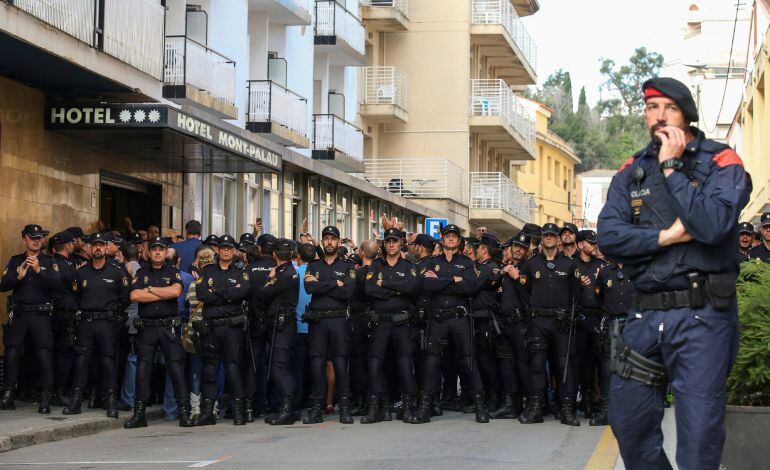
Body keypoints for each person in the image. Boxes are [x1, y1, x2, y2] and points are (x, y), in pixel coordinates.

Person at [598, 76, 751, 469]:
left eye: (670, 108)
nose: (660, 116)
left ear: (687, 114)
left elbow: (714, 225)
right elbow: (610, 236)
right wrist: (666, 237)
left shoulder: (722, 162)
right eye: (652, 108)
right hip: (644, 314)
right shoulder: (631, 169)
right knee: (629, 428)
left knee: (699, 441)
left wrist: (671, 169)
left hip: (703, 317)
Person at [413, 224, 488, 424]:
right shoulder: (432, 261)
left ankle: (480, 407)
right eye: (448, 236)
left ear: (459, 240)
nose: (451, 239)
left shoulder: (466, 262)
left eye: (455, 236)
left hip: (459, 318)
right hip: (438, 319)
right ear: (442, 239)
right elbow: (426, 284)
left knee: (468, 361)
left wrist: (441, 281)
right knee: (431, 363)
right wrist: (453, 280)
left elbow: (469, 287)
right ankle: (425, 408)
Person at [124, 237, 192, 428]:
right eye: (154, 249)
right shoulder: (142, 272)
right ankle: (139, 414)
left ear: (166, 251)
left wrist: (151, 289)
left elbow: (175, 292)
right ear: (149, 251)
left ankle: (184, 413)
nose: (157, 252)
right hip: (147, 328)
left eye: (161, 249)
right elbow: (134, 295)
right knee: (143, 371)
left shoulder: (173, 272)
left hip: (168, 327)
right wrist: (162, 291)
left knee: (176, 369)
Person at [517, 223, 581, 426]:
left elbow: (576, 293)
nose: (550, 238)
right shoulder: (531, 264)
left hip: (561, 322)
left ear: (558, 239)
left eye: (553, 235)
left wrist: (569, 314)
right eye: (546, 235)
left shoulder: (570, 265)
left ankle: (567, 411)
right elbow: (524, 291)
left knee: (564, 365)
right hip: (539, 321)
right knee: (536, 365)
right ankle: (535, 409)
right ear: (542, 238)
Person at [63, 233, 130, 417]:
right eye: (95, 245)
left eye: (101, 245)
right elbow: (75, 297)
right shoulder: (82, 272)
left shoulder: (116, 271)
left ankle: (110, 402)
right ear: (90, 248)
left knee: (108, 361)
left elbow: (125, 297)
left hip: (107, 323)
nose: (98, 248)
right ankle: (76, 401)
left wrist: (115, 312)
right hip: (86, 322)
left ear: (106, 248)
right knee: (82, 360)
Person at [0, 225, 60, 413]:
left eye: (39, 237)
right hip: (19, 314)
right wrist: (18, 276)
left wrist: (39, 270)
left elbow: (58, 284)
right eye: (33, 237)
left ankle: (45, 396)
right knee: (11, 352)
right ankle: (8, 394)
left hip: (40, 315)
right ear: (24, 238)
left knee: (43, 354)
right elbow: (3, 285)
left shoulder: (49, 262)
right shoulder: (16, 260)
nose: (36, 240)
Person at [362, 228, 418, 424]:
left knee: (404, 365)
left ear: (401, 243)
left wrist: (383, 283)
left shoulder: (408, 265)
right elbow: (369, 289)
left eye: (395, 241)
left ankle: (408, 407)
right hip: (380, 322)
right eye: (388, 241)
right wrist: (396, 289)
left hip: (402, 322)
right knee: (375, 364)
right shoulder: (376, 265)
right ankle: (377, 407)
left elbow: (411, 287)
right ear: (383, 244)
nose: (391, 244)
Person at [193, 235, 250, 426]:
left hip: (231, 327)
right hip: (211, 327)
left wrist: (216, 292)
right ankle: (207, 412)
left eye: (229, 248)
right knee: (210, 370)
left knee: (233, 369)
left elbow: (242, 293)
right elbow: (202, 294)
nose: (226, 251)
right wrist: (227, 295)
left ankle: (238, 412)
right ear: (217, 250)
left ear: (234, 251)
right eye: (223, 247)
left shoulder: (241, 273)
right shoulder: (208, 271)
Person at [302, 226, 356, 424]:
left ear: (339, 241)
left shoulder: (348, 267)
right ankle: (316, 408)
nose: (329, 242)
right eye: (326, 239)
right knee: (316, 365)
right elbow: (309, 287)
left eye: (333, 239)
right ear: (322, 242)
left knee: (341, 364)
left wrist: (322, 283)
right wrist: (336, 283)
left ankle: (344, 408)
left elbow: (348, 292)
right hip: (318, 321)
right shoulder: (313, 266)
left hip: (339, 320)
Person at [259, 238, 300, 425]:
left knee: (278, 368)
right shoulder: (291, 271)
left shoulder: (281, 275)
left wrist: (269, 278)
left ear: (274, 254)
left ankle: (287, 409)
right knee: (284, 367)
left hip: (281, 326)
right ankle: (289, 407)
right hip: (285, 324)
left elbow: (263, 294)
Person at [490, 232, 530, 419]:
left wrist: (517, 277)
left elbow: (532, 294)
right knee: (507, 366)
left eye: (523, 247)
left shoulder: (529, 267)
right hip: (504, 323)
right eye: (516, 246)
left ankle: (529, 404)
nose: (518, 250)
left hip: (521, 323)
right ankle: (510, 405)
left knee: (524, 366)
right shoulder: (506, 268)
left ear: (527, 250)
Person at [591, 260, 633, 426]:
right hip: (612, 322)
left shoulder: (637, 269)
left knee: (632, 367)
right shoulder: (605, 272)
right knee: (608, 367)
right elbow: (599, 296)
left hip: (633, 323)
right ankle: (606, 410)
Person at [469, 233, 504, 414]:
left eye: (478, 247)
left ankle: (493, 398)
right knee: (479, 361)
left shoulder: (490, 268)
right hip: (476, 318)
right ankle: (484, 397)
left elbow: (472, 286)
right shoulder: (482, 267)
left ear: (483, 249)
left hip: (485, 320)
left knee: (487, 361)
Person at [572, 229, 606, 420]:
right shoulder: (571, 265)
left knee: (596, 361)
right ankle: (581, 399)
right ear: (580, 245)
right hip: (578, 318)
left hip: (597, 318)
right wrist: (579, 286)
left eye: (595, 243)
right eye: (590, 243)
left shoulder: (601, 265)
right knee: (578, 362)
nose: (594, 246)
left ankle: (594, 400)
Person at [243, 234, 277, 421]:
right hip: (274, 321)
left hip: (255, 320)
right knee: (276, 362)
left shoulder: (249, 269)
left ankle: (250, 406)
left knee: (253, 364)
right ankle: (272, 403)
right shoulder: (281, 268)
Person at [49, 231, 80, 407]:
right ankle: (60, 391)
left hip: (50, 314)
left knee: (52, 352)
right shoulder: (70, 267)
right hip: (67, 314)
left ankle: (48, 389)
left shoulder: (49, 264)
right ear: (68, 246)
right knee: (66, 354)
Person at [349, 240, 378, 417]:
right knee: (375, 360)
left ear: (361, 253)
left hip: (359, 320)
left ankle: (361, 400)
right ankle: (376, 398)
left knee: (359, 362)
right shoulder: (379, 273)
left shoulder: (358, 275)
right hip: (376, 319)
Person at [292, 243, 315, 410]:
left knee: (298, 368)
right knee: (315, 366)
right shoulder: (318, 274)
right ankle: (315, 400)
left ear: (298, 256)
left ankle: (298, 401)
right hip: (316, 327)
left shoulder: (294, 275)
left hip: (298, 328)